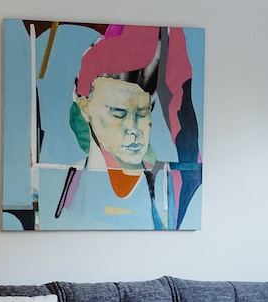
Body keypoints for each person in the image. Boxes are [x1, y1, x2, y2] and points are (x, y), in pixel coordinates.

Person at [58, 25, 200, 230]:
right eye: (118, 113)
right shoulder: (68, 183)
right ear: (85, 108)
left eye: (142, 113)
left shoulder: (170, 186)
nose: (133, 128)